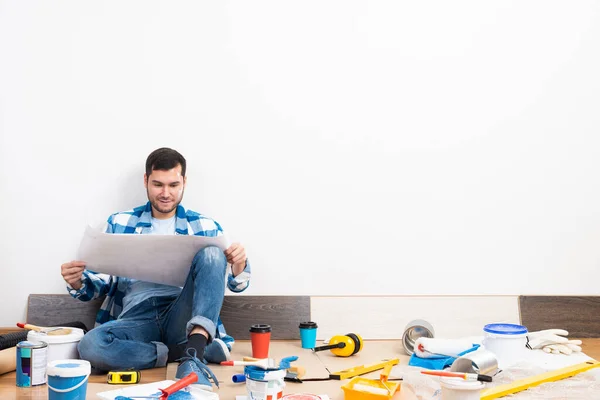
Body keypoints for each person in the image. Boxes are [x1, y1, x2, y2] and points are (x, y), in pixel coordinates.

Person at [60, 147, 251, 390]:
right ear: (146, 181)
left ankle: (192, 356)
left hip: (182, 314)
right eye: (158, 184)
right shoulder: (119, 222)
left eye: (173, 185)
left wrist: (239, 264)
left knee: (213, 254)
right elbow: (98, 285)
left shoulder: (205, 225)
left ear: (184, 181)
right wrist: (77, 281)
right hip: (137, 317)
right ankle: (185, 351)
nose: (165, 193)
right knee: (90, 346)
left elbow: (235, 284)